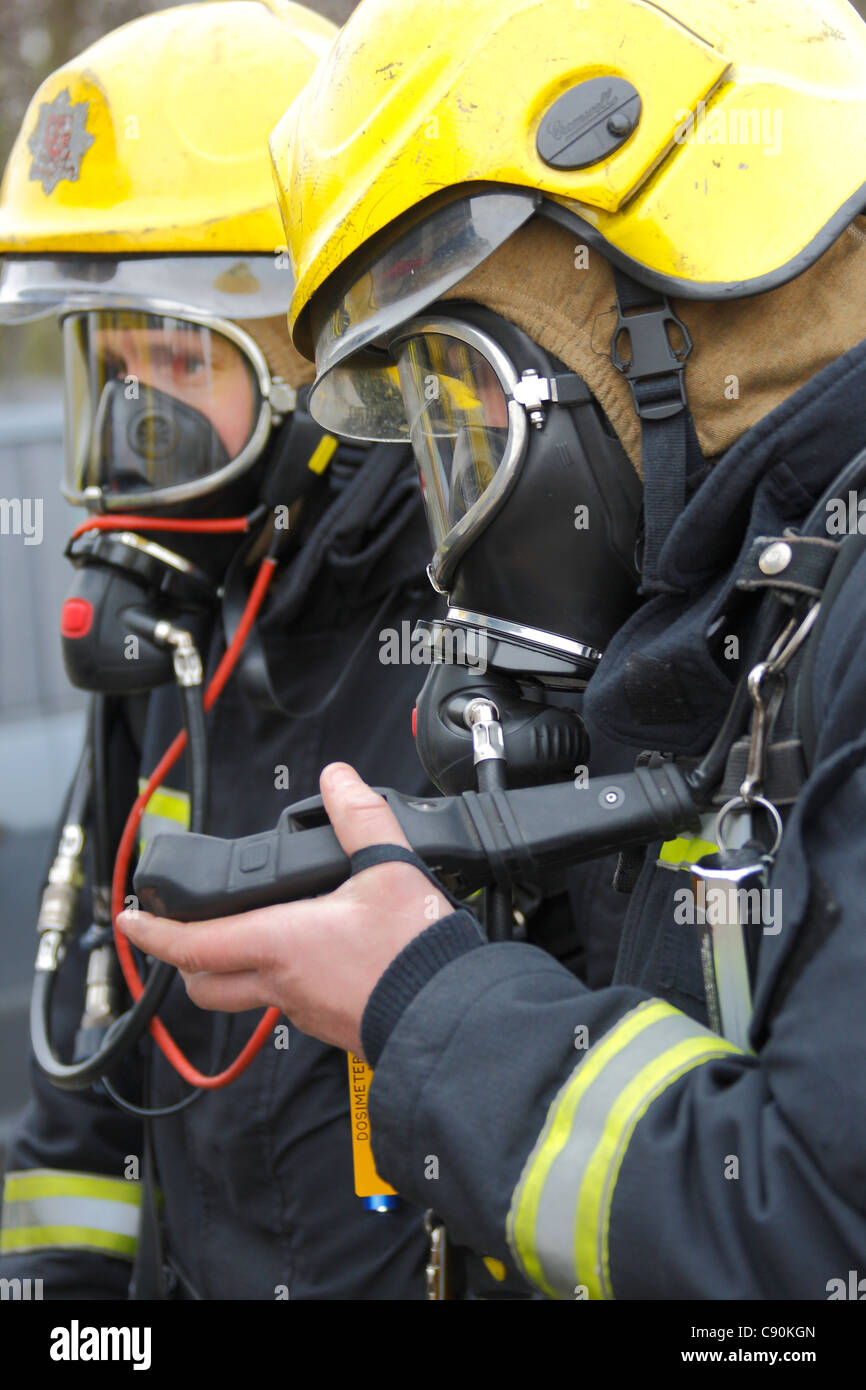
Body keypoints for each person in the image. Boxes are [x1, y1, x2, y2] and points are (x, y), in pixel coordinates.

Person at [121, 0, 866, 1299]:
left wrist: (418, 999)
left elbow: (811, 1237)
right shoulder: (756, 617)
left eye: (465, 403)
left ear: (664, 321)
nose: (454, 536)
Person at [0, 0, 626, 1301]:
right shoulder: (177, 635)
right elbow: (86, 1062)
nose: (133, 419)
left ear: (316, 345)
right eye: (109, 361)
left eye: (177, 353)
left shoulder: (510, 637)